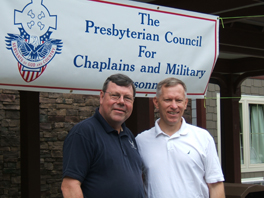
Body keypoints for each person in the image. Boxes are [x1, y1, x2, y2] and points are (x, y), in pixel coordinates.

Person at [135, 77, 225, 198]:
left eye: (178, 100)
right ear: (156, 102)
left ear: (185, 103)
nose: (174, 106)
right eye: (168, 100)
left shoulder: (203, 138)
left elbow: (215, 185)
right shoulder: (141, 141)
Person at [61, 73, 144, 198]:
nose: (121, 102)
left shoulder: (128, 135)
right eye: (115, 95)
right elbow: (70, 186)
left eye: (127, 98)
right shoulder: (84, 133)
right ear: (101, 97)